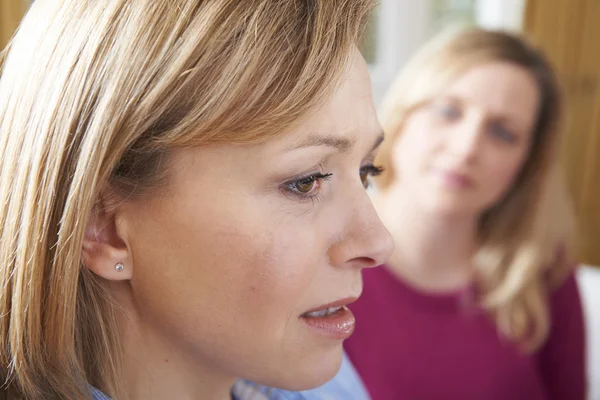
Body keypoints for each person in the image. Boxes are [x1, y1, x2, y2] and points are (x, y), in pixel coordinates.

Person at [0, 1, 393, 399]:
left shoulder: (335, 388)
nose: (378, 242)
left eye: (365, 171)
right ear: (101, 226)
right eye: (306, 182)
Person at [344, 28, 586, 400]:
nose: (467, 147)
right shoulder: (329, 252)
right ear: (403, 113)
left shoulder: (541, 274)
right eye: (448, 111)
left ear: (527, 165)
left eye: (503, 133)